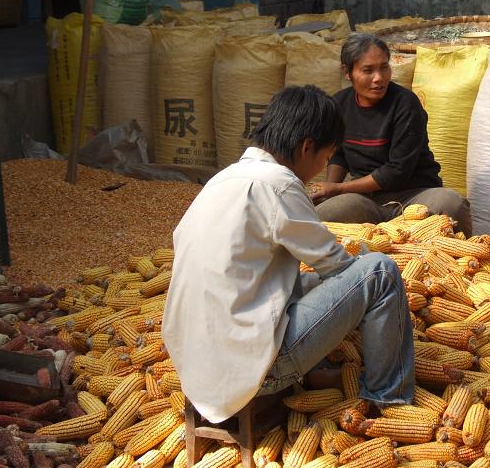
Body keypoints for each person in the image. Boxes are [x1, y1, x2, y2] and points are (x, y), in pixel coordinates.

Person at [162, 85, 415, 424]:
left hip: (195, 369)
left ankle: (321, 372)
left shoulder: (221, 181)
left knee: (302, 281)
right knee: (380, 273)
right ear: (306, 148)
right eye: (325, 159)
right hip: (255, 369)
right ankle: (388, 400)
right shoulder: (278, 183)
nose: (321, 169)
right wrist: (368, 256)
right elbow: (335, 267)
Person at [311, 33, 472, 236]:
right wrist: (330, 191)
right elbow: (339, 153)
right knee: (317, 217)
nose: (378, 78)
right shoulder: (339, 104)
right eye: (368, 70)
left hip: (415, 196)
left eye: (384, 67)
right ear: (347, 72)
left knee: (452, 204)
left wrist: (338, 189)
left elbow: (396, 172)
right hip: (364, 198)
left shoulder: (405, 104)